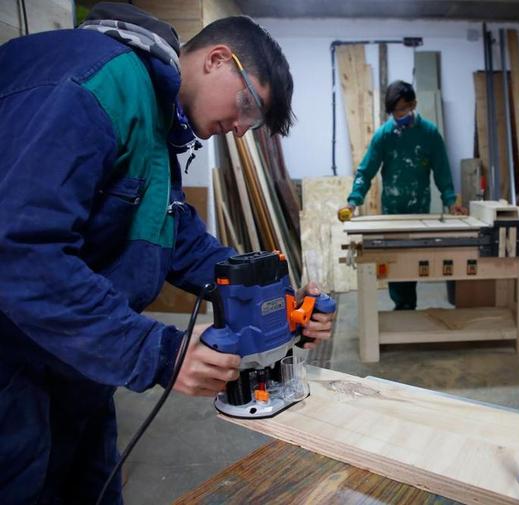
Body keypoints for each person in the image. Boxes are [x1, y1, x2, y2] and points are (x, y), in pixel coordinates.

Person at [0, 3, 332, 503]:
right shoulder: (100, 82)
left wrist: (276, 303)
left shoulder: (154, 117)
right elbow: (21, 253)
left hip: (75, 356)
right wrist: (158, 353)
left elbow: (173, 238)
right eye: (247, 108)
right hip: (14, 357)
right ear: (218, 59)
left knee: (90, 487)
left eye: (253, 122)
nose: (242, 129)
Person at [339, 80, 466, 310]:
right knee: (395, 263)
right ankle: (403, 306)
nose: (399, 115)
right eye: (395, 111)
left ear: (413, 104)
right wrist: (354, 200)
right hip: (392, 212)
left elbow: (442, 171)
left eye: (403, 109)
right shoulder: (384, 135)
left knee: (415, 262)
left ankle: (408, 306)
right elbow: (366, 170)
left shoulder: (429, 134)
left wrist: (450, 201)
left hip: (419, 211)